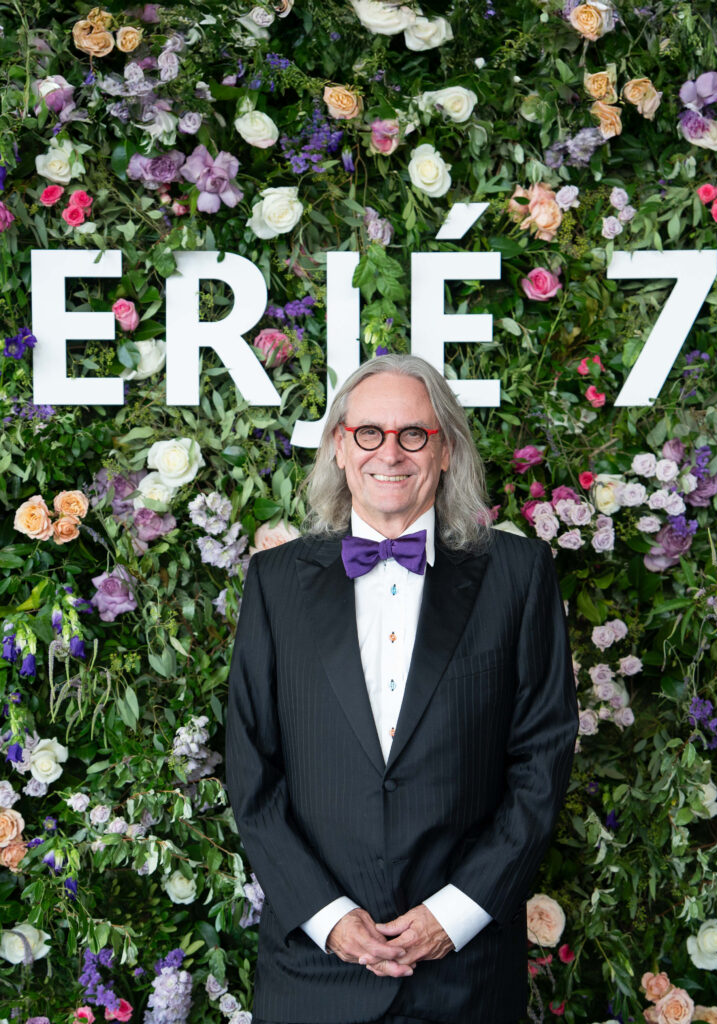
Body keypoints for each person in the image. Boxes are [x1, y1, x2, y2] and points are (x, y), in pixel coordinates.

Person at [226, 354, 577, 1024]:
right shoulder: (274, 583)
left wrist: (457, 912)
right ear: (340, 445)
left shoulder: (518, 574)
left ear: (445, 452)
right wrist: (328, 918)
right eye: (369, 433)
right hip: (313, 973)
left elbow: (542, 759)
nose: (390, 452)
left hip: (465, 977)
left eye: (413, 434)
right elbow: (252, 771)